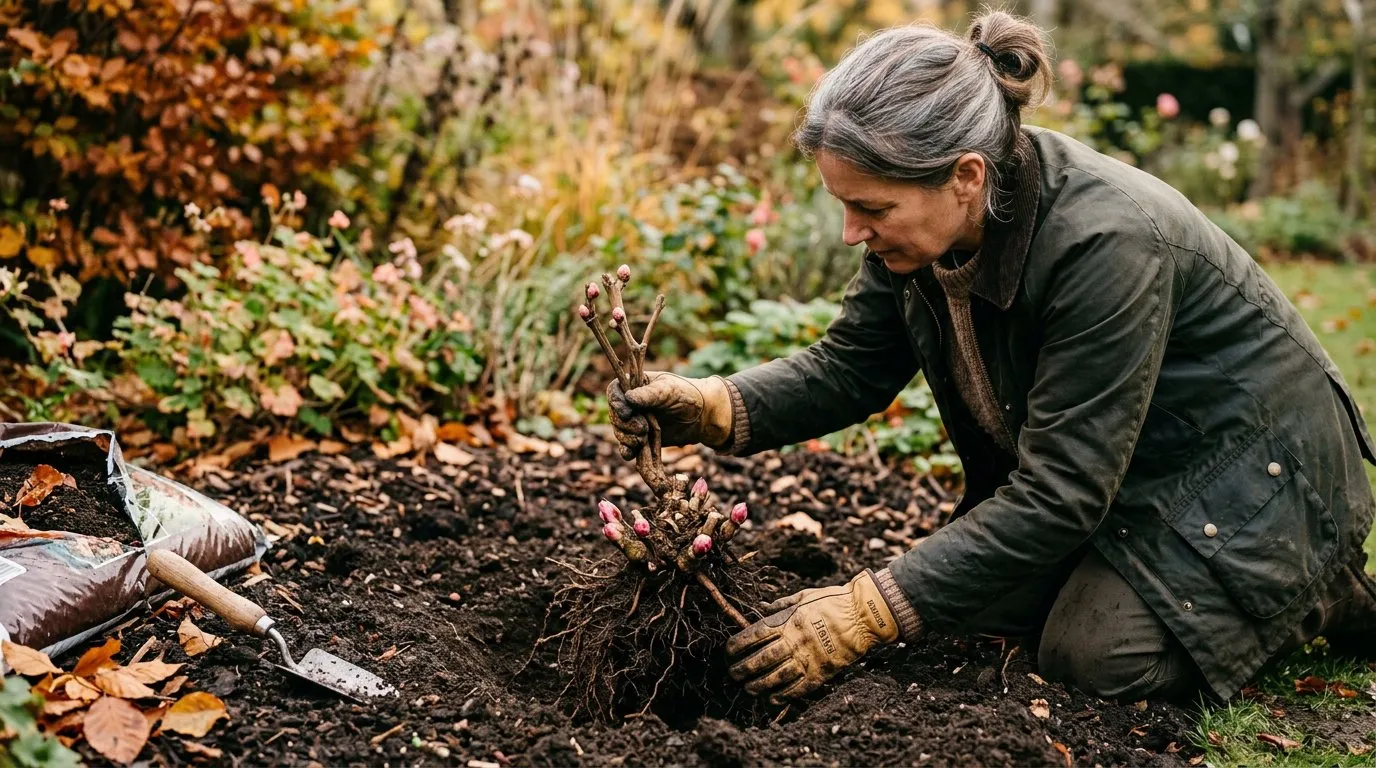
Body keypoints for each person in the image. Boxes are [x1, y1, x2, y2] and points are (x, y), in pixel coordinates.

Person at [607, 10, 1376, 705]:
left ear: (966, 176)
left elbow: (1063, 492)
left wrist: (863, 612)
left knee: (1094, 656)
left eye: (870, 208)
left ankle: (1313, 589)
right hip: (1127, 468)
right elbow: (850, 368)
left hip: (1255, 476)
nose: (851, 233)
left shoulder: (1105, 244)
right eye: (844, 205)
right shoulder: (922, 232)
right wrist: (713, 405)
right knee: (951, 610)